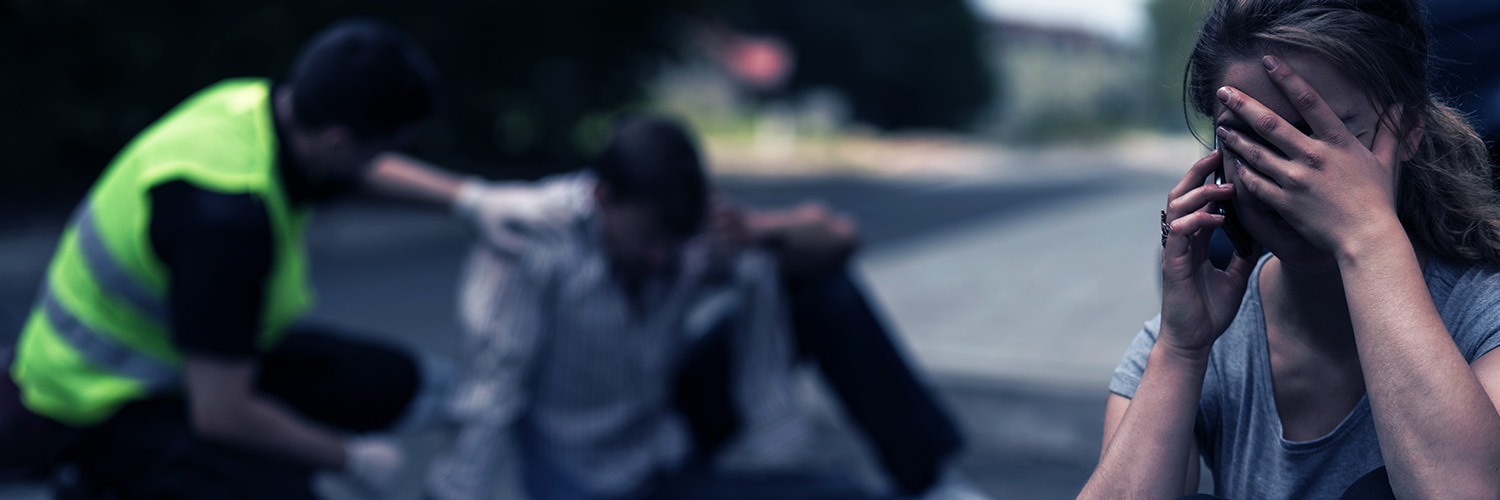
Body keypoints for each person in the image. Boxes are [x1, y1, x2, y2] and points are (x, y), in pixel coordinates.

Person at [5, 18, 553, 499]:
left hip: (185, 352)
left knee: (387, 383)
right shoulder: (223, 223)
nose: (385, 163)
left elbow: (358, 171)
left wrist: (470, 200)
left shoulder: (257, 109)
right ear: (339, 142)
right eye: (382, 148)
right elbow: (221, 413)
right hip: (100, 401)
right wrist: (346, 456)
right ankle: (96, 481)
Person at [425, 115, 983, 500]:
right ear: (601, 199)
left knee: (819, 288)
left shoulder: (683, 231)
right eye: (646, 239)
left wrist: (760, 230)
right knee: (837, 494)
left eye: (674, 240)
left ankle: (928, 480)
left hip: (664, 425)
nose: (662, 256)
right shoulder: (532, 242)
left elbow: (839, 241)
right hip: (600, 481)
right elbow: (489, 394)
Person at [1079, 0, 1500, 499]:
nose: (1294, 178)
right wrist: (1181, 350)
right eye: (1255, 143)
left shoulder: (1481, 314)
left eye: (1326, 137)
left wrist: (1366, 236)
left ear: (1407, 130)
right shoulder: (1198, 339)